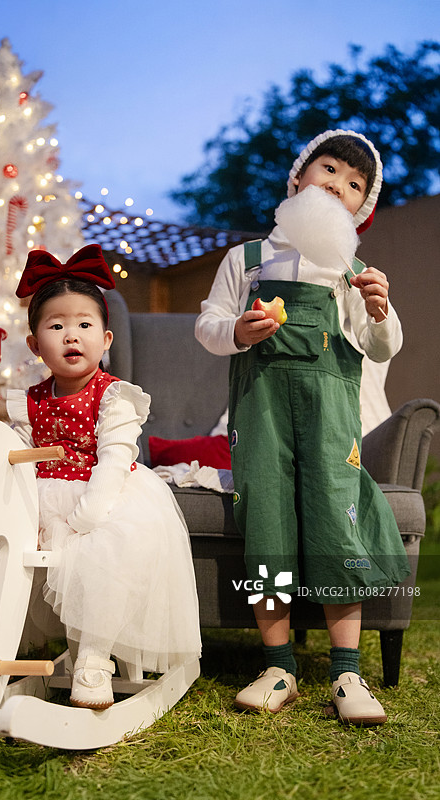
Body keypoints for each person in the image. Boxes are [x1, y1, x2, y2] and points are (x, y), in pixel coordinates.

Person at [195, 129, 410, 725]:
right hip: (261, 415)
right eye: (330, 170)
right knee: (266, 520)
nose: (337, 185)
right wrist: (238, 331)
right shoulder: (247, 260)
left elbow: (380, 346)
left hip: (330, 421)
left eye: (354, 185)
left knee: (335, 519)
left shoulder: (352, 273)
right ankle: (278, 665)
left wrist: (380, 310)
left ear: (360, 209)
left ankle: (348, 671)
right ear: (298, 179)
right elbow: (208, 325)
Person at [0, 245, 201, 709]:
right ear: (36, 344)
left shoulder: (115, 396)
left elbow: (116, 457)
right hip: (36, 496)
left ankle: (93, 657)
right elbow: (16, 459)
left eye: (84, 325)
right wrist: (19, 508)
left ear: (106, 338)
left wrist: (87, 514)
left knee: (103, 553)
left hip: (104, 495)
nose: (71, 336)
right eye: (56, 326)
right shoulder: (28, 400)